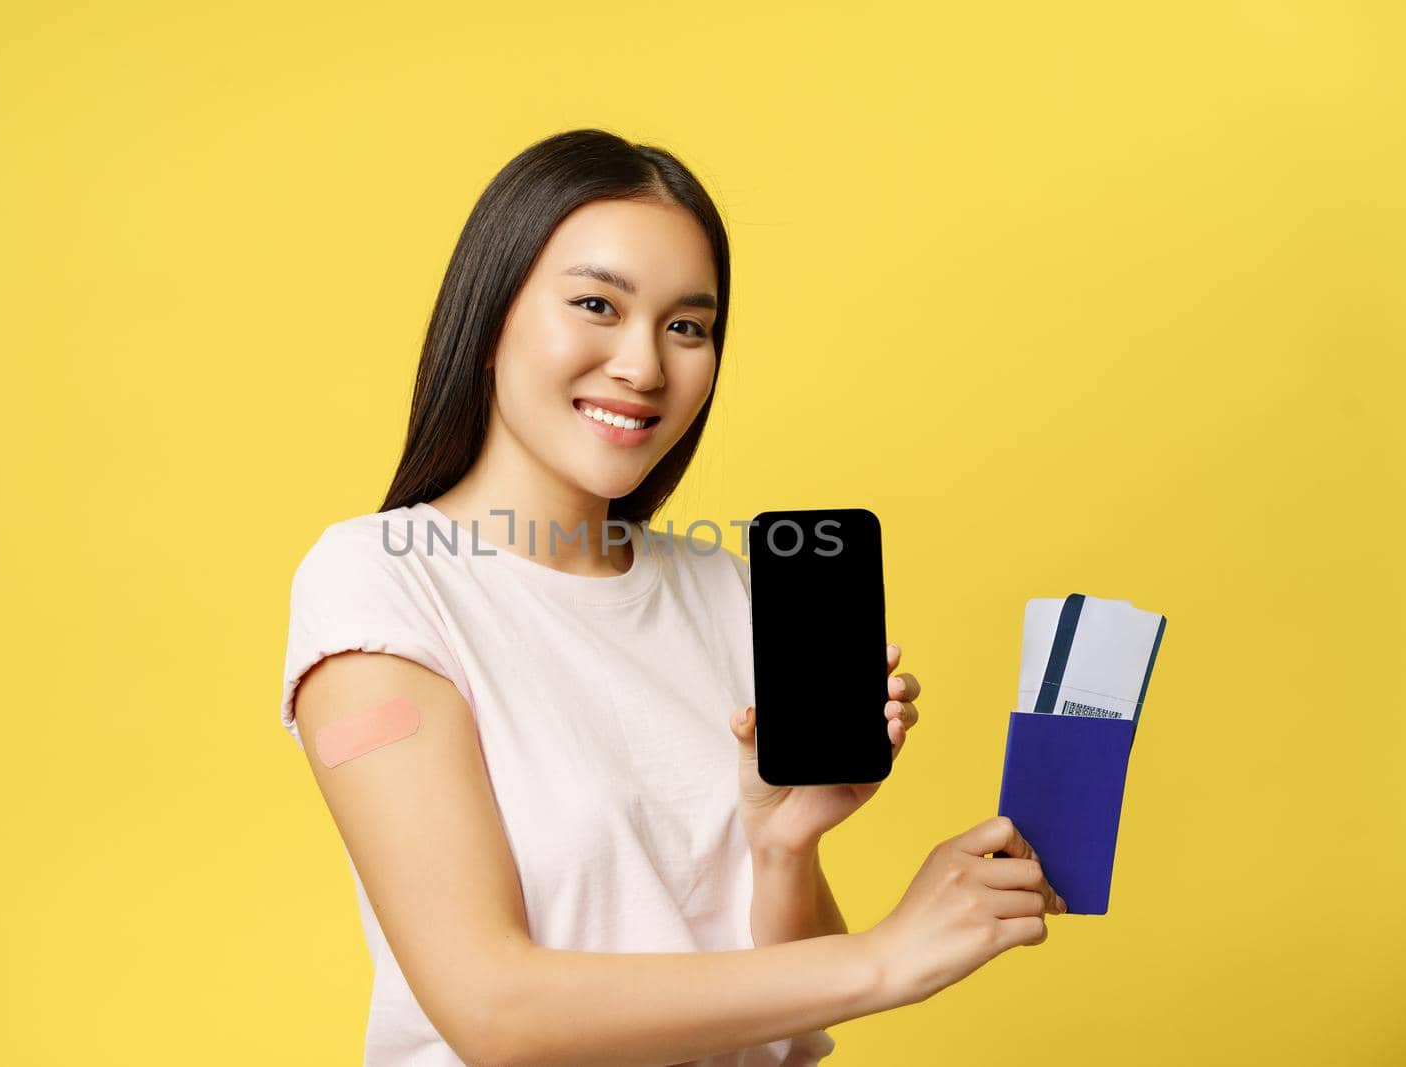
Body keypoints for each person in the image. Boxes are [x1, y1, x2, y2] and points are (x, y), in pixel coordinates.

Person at [279, 128, 1064, 1066]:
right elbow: (492, 1008)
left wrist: (783, 845)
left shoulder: (728, 591)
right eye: (595, 305)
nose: (645, 366)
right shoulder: (382, 580)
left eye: (687, 326)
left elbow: (782, 1023)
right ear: (490, 318)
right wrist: (885, 955)